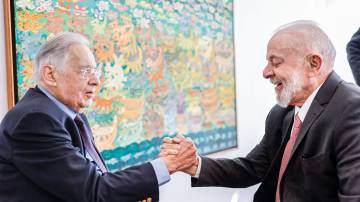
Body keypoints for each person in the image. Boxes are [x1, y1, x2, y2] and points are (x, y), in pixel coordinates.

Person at [162, 20, 360, 202]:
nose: (266, 72)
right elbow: (252, 168)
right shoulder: (282, 114)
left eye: (276, 62)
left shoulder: (353, 110)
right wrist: (194, 164)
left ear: (313, 64)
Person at [0, 32, 197, 202]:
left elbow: (98, 179)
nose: (96, 81)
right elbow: (94, 191)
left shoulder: (71, 116)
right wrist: (165, 165)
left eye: (96, 71)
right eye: (86, 71)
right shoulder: (35, 121)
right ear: (50, 75)